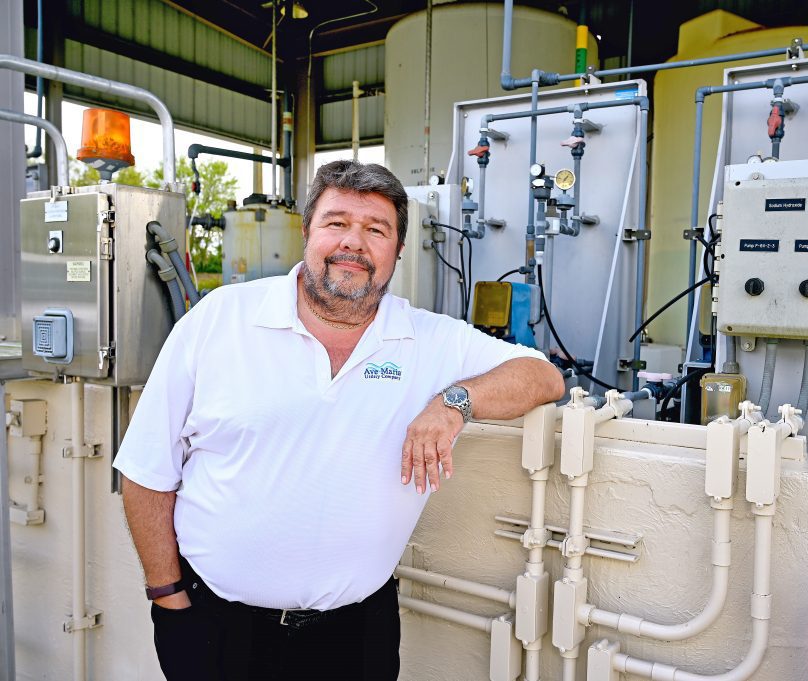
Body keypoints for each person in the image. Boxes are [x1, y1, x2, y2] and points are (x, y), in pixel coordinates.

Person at [114, 160, 565, 681]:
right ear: (307, 232)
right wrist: (167, 597)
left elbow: (543, 375)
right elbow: (147, 468)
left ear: (397, 251)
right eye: (336, 223)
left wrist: (454, 401)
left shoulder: (428, 339)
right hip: (217, 627)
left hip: (355, 637)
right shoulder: (219, 320)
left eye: (376, 230)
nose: (354, 242)